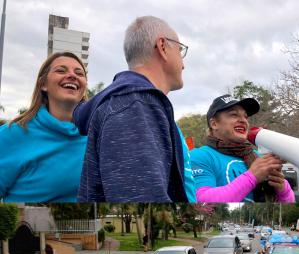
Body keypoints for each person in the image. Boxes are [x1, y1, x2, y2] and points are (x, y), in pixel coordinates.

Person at [73, 16, 188, 202]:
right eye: (180, 50)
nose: (184, 64)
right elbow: (140, 197)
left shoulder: (132, 103)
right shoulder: (135, 106)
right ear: (163, 47)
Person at [0, 52, 88, 202]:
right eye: (61, 70)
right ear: (43, 84)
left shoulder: (99, 136)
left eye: (79, 73)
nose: (72, 75)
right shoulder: (11, 134)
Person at [189, 95, 295, 202]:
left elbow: (287, 203)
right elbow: (201, 198)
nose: (243, 120)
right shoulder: (199, 156)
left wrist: (283, 189)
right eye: (234, 115)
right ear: (214, 124)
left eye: (245, 117)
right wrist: (252, 177)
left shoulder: (256, 156)